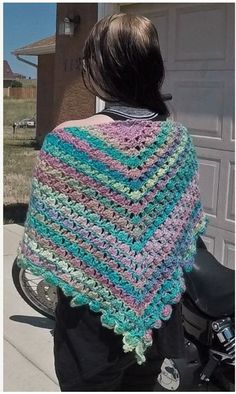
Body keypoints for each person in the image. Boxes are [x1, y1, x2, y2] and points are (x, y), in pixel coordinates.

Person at [17, 13, 208, 392]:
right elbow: (179, 238)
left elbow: (50, 238)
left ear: (99, 67)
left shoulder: (67, 141)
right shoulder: (176, 141)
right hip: (159, 323)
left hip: (89, 331)